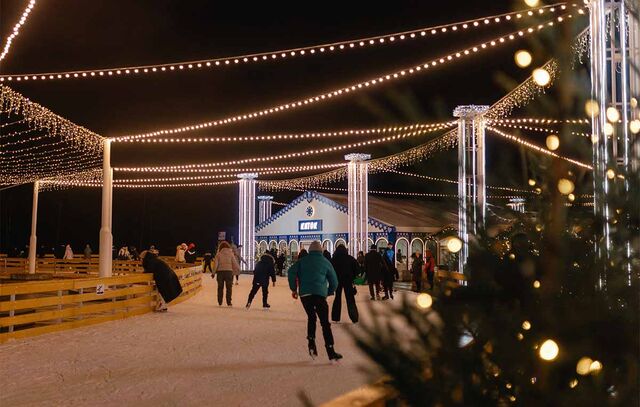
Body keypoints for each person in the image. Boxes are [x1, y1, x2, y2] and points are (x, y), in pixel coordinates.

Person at [287, 241, 342, 361]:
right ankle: (330, 350)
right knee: (325, 323)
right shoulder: (326, 262)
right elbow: (334, 281)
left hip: (305, 295)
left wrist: (294, 289)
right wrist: (328, 292)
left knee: (311, 317)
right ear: (321, 251)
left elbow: (291, 272)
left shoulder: (302, 261)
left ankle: (311, 344)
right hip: (319, 295)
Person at [330, 244, 359, 323]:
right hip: (348, 280)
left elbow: (330, 270)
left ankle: (335, 317)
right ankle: (354, 318)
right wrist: (353, 276)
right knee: (350, 299)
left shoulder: (334, 259)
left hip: (337, 280)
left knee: (337, 298)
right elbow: (357, 269)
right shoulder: (350, 258)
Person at [214, 241, 240, 306]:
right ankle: (229, 302)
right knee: (229, 287)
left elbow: (215, 264)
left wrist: (213, 272)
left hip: (220, 272)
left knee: (220, 287)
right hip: (229, 272)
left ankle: (220, 301)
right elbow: (234, 262)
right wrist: (238, 269)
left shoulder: (218, 254)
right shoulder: (231, 254)